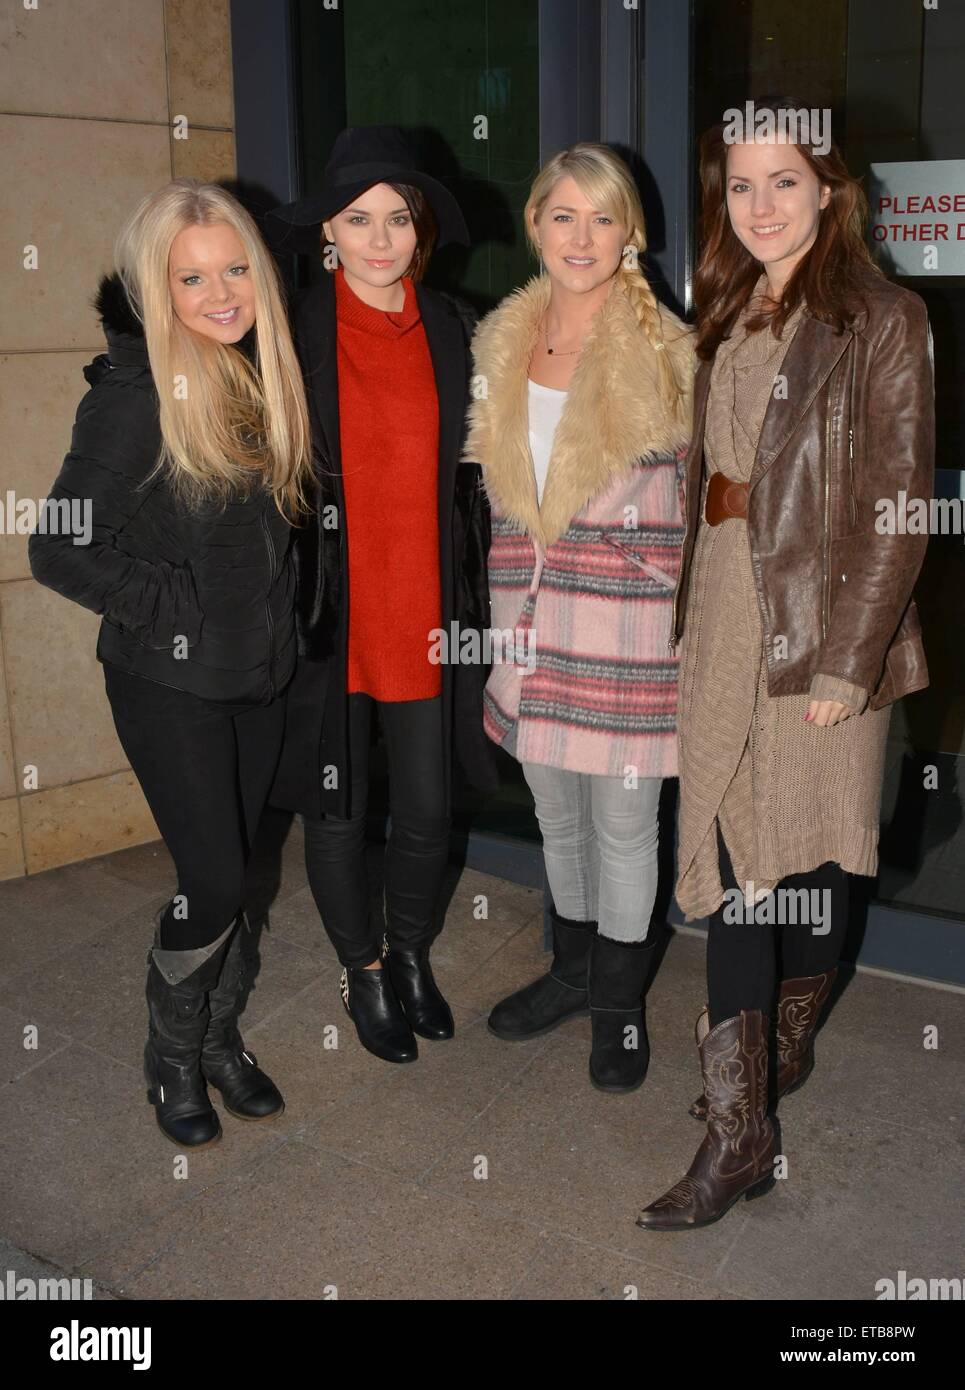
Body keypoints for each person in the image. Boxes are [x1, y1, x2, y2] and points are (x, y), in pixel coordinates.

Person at [636, 95, 934, 1231]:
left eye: (783, 181)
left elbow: (898, 505)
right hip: (721, 611)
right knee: (734, 849)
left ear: (828, 188)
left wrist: (844, 665)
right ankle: (752, 1095)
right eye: (740, 183)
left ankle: (742, 1120)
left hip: (817, 628)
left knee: (791, 862)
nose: (759, 204)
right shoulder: (725, 311)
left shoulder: (879, 316)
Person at [29, 179, 314, 1148]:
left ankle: (221, 1040)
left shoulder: (258, 373)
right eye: (193, 276)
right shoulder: (136, 399)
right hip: (170, 682)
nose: (222, 291)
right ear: (157, 288)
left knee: (245, 871)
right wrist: (180, 606)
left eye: (236, 268)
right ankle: (170, 1058)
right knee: (214, 883)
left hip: (260, 673)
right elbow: (55, 545)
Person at [462, 143, 694, 1092]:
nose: (582, 236)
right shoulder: (499, 344)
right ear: (534, 225)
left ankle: (617, 1006)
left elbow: (701, 509)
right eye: (563, 215)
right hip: (526, 615)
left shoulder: (673, 350)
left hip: (627, 627)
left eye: (603, 218)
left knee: (625, 826)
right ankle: (570, 968)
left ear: (630, 234)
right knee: (555, 814)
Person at [267, 127, 495, 1064]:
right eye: (358, 218)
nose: (378, 237)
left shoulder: (454, 327)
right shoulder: (287, 330)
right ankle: (360, 972)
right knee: (338, 811)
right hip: (330, 613)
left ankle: (408, 956)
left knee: (431, 811)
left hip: (427, 613)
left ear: (421, 230)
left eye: (397, 218)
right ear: (328, 229)